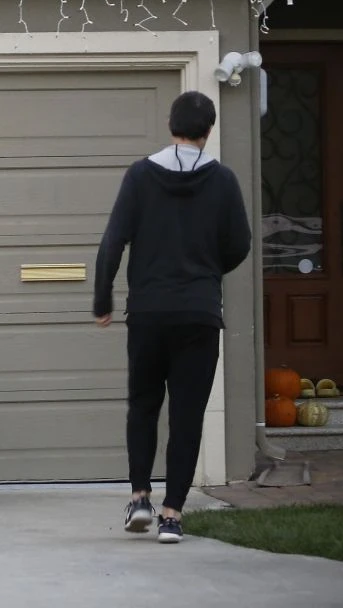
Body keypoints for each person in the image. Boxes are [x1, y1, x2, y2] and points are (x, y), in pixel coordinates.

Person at [93, 89, 252, 544]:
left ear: (170, 125)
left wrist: (102, 300)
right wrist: (205, 274)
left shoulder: (141, 175)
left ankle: (140, 498)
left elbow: (112, 242)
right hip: (199, 315)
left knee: (143, 406)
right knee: (188, 415)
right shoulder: (222, 181)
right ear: (209, 130)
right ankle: (172, 515)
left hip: (148, 313)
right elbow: (239, 244)